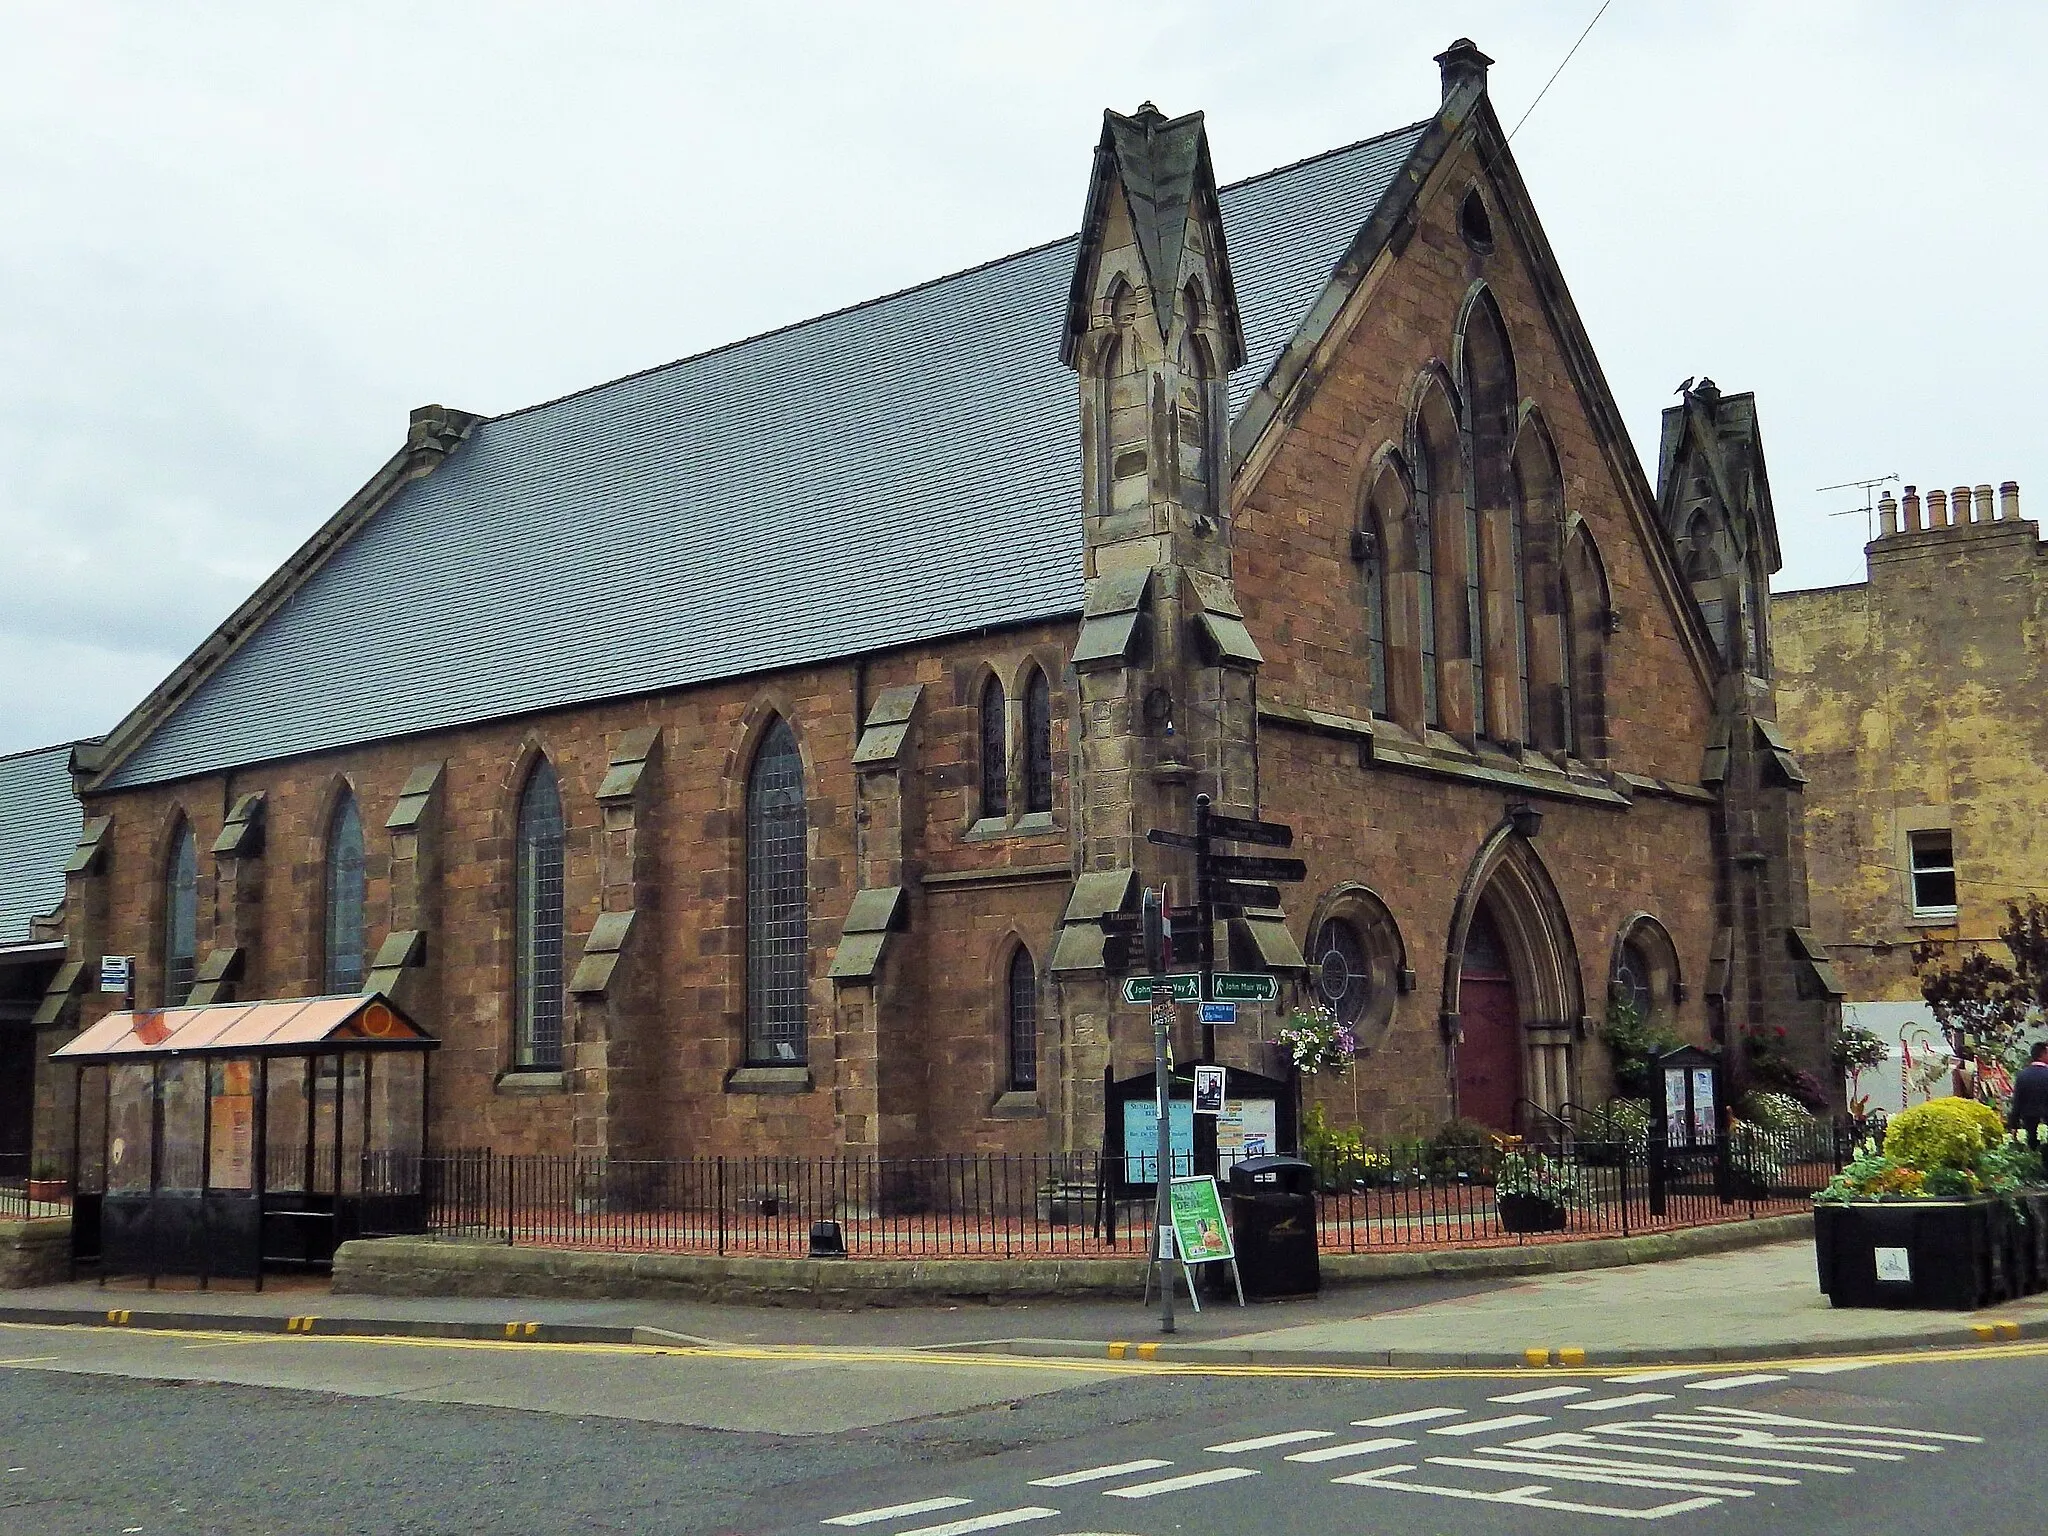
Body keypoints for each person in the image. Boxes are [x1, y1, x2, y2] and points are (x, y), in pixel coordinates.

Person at [2006, 1041, 2048, 1154]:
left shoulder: (2022, 1075)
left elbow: (2017, 1102)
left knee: (2032, 1151)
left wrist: (2013, 1124)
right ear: (2043, 1054)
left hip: (2029, 1122)